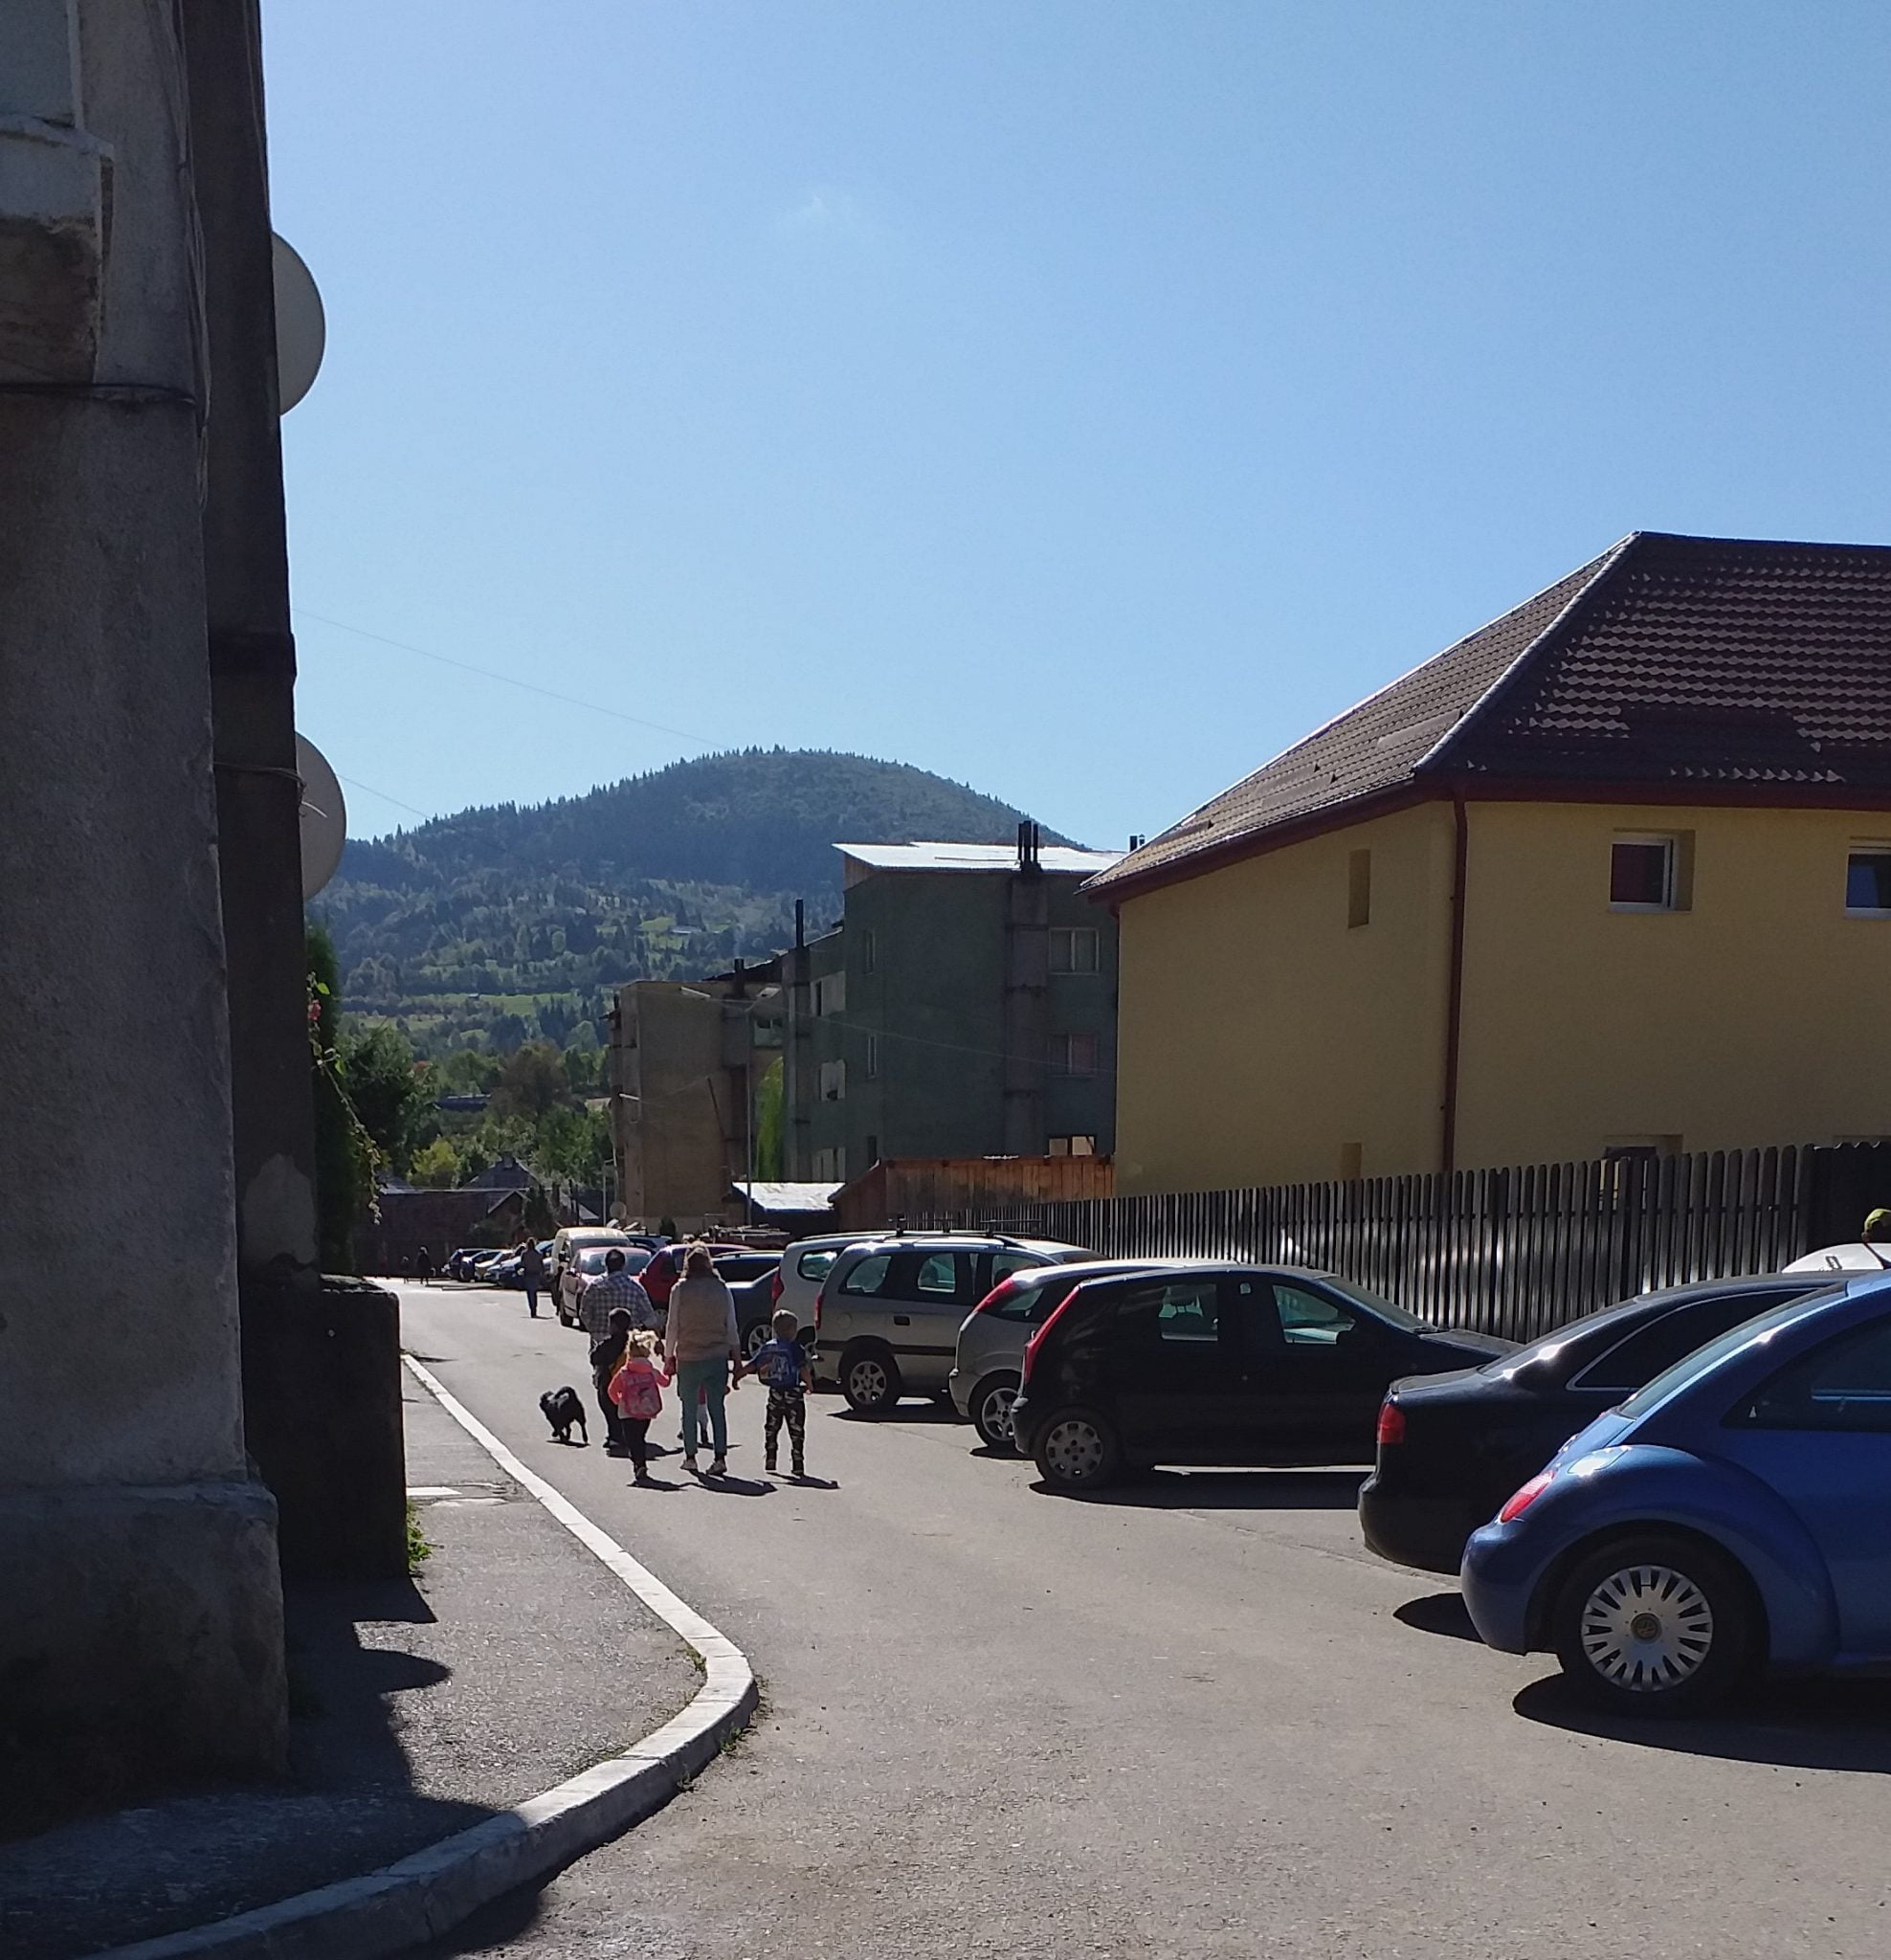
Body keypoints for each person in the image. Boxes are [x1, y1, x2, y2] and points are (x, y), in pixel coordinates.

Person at [663, 1246, 742, 1477]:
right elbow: (731, 1326)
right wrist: (737, 1360)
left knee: (688, 1408)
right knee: (717, 1408)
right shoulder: (721, 1288)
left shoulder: (680, 1289)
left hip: (689, 1357)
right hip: (717, 1356)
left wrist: (669, 1356)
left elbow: (672, 1325)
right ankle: (720, 1457)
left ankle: (690, 1457)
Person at [743, 1308, 813, 1480]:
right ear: (792, 1330)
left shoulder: (768, 1347)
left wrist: (738, 1375)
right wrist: (809, 1384)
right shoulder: (796, 1348)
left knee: (772, 1426)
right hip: (793, 1393)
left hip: (775, 1393)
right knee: (796, 1428)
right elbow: (802, 1368)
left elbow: (754, 1364)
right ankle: (797, 1463)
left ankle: (771, 1457)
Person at [608, 1328, 671, 1483]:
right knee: (640, 1437)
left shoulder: (624, 1372)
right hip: (646, 1410)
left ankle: (638, 1463)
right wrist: (668, 1370)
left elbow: (611, 1390)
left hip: (627, 1411)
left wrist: (619, 1401)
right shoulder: (651, 1371)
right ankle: (640, 1464)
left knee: (632, 1439)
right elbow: (665, 1382)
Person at [582, 1247, 658, 1348]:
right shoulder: (635, 1287)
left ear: (605, 1264)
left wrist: (594, 1329)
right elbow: (649, 1317)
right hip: (627, 1343)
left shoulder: (594, 1286)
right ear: (624, 1265)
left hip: (600, 1341)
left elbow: (585, 1313)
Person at [590, 1305, 636, 1455]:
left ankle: (615, 1437)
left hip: (609, 1381)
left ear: (614, 1326)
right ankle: (625, 1435)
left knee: (610, 1410)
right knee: (626, 1411)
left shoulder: (609, 1343)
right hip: (630, 1382)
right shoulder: (632, 1342)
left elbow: (595, 1357)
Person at [520, 1236, 547, 1318]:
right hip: (536, 1274)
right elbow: (541, 1265)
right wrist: (542, 1274)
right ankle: (534, 1309)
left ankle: (532, 1308)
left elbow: (522, 1264)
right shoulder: (538, 1254)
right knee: (534, 1292)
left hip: (528, 1274)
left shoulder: (524, 1254)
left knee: (529, 1293)